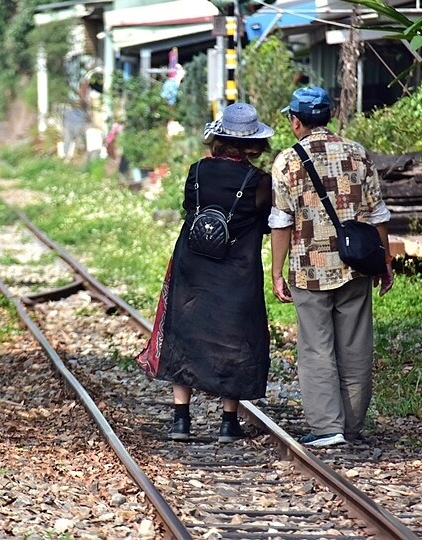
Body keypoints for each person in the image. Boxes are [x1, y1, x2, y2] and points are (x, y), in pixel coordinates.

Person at [135, 103, 274, 443]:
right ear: (252, 144)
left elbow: (189, 211)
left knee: (185, 332)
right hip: (237, 270)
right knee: (235, 338)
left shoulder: (196, 172)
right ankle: (229, 423)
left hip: (193, 264)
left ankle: (181, 420)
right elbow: (265, 221)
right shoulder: (259, 181)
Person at [268, 86, 394, 447]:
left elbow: (281, 222)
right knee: (355, 346)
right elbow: (377, 214)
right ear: (330, 116)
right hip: (356, 264)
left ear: (296, 121)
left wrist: (277, 273)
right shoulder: (358, 153)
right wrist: (385, 260)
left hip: (309, 269)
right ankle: (352, 425)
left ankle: (327, 427)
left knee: (316, 347)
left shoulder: (287, 161)